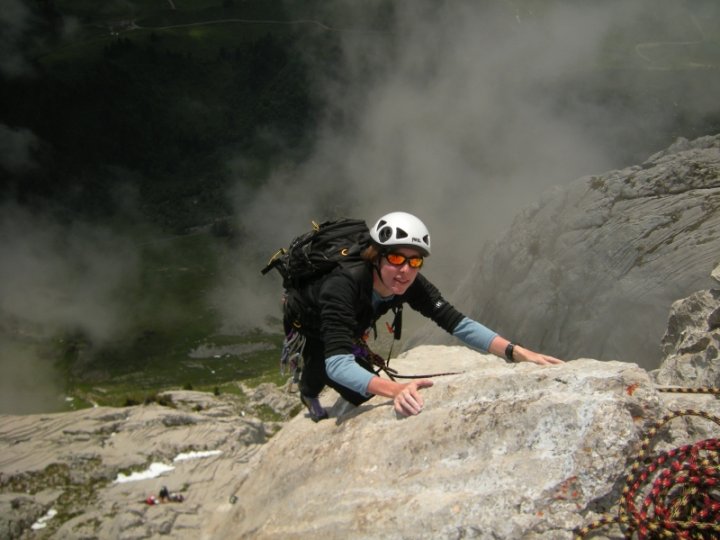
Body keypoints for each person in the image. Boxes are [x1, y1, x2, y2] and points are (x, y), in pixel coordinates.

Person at [283, 211, 563, 421]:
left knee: (364, 391)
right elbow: (339, 364)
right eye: (395, 258)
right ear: (375, 256)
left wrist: (515, 352)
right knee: (322, 360)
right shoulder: (342, 284)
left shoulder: (408, 283)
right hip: (310, 320)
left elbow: (457, 322)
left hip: (350, 318)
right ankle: (308, 392)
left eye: (414, 261)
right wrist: (394, 389)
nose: (405, 269)